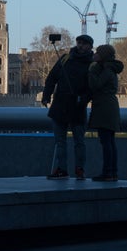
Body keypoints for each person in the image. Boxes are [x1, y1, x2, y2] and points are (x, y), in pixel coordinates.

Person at [42, 34, 94, 180]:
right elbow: (52, 78)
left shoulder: (92, 64)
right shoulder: (65, 58)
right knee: (60, 142)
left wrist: (83, 99)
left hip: (77, 107)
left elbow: (93, 87)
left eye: (84, 43)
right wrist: (46, 95)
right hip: (60, 105)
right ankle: (61, 169)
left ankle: (79, 169)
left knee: (79, 142)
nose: (80, 46)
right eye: (79, 43)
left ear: (90, 46)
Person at [87, 44, 124, 182]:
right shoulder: (110, 69)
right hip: (109, 107)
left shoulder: (106, 71)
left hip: (104, 108)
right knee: (110, 141)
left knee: (106, 141)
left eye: (97, 53)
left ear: (103, 55)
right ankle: (112, 171)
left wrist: (91, 71)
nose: (95, 54)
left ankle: (108, 172)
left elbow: (96, 85)